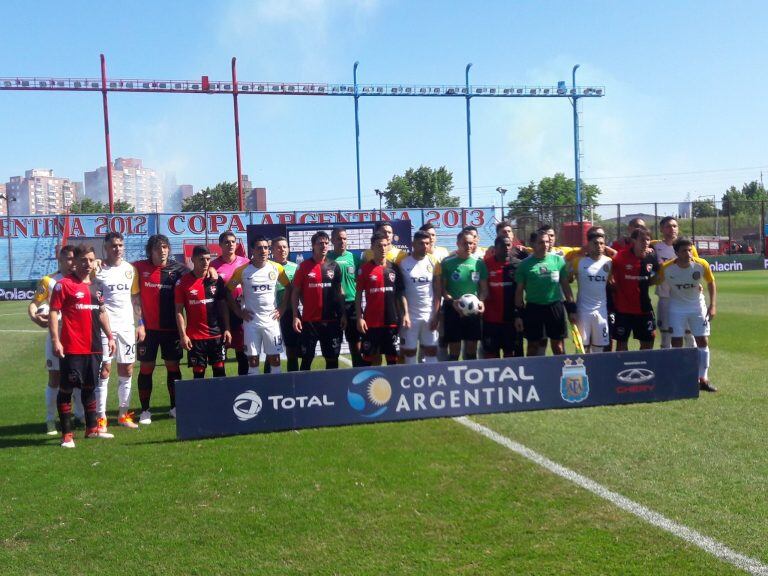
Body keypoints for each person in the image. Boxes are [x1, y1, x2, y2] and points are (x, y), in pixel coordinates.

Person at [49, 244, 116, 448]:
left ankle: (92, 429)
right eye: (83, 260)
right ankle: (67, 435)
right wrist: (55, 340)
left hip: (94, 347)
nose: (87, 264)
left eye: (90, 260)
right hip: (72, 347)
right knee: (67, 389)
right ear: (75, 262)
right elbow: (53, 312)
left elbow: (102, 312)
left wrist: (110, 337)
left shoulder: (96, 286)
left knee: (90, 387)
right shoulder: (64, 285)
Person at [28, 244, 84, 435]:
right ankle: (50, 420)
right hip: (56, 336)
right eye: (67, 258)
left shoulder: (81, 279)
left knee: (77, 378)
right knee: (55, 378)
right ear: (59, 259)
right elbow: (34, 305)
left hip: (78, 337)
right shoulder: (49, 281)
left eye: (73, 258)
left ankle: (79, 416)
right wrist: (36, 318)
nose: (71, 262)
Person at [133, 234, 188, 424]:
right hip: (147, 330)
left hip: (171, 329)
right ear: (150, 251)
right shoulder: (139, 268)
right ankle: (145, 411)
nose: (162, 251)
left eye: (165, 247)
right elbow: (118, 269)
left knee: (173, 367)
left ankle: (175, 407)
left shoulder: (179, 270)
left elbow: (197, 275)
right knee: (146, 368)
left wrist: (211, 272)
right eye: (158, 248)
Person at [657, 237, 718, 392]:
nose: (688, 253)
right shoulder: (667, 267)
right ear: (676, 252)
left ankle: (703, 378)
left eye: (690, 249)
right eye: (684, 250)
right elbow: (654, 280)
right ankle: (680, 378)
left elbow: (711, 282)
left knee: (702, 340)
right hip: (676, 308)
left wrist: (712, 305)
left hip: (697, 307)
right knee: (676, 342)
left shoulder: (701, 264)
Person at [223, 236, 289, 375]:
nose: (263, 251)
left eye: (266, 248)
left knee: (275, 360)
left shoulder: (276, 268)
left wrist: (282, 308)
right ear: (252, 250)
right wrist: (239, 312)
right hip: (251, 322)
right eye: (259, 248)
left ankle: (275, 392)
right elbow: (227, 291)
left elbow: (289, 287)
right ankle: (256, 393)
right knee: (252, 361)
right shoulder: (242, 271)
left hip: (271, 321)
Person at [95, 232, 140, 431]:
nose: (118, 249)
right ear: (105, 247)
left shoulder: (131, 270)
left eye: (120, 245)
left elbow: (135, 299)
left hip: (127, 326)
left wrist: (140, 323)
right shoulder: (98, 270)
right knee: (105, 370)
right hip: (106, 327)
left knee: (127, 369)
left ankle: (123, 414)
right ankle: (101, 417)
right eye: (113, 245)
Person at [514, 230, 577, 356]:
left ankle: (560, 372)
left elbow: (566, 287)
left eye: (547, 242)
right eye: (541, 242)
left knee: (558, 347)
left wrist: (571, 309)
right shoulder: (524, 265)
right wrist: (518, 315)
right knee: (532, 347)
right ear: (532, 244)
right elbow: (519, 293)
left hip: (555, 307)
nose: (545, 245)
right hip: (533, 309)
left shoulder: (558, 261)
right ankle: (533, 374)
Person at [291, 231, 345, 371]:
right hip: (310, 322)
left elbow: (340, 292)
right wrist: (296, 316)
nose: (324, 246)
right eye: (320, 243)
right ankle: (305, 390)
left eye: (326, 243)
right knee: (306, 359)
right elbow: (296, 292)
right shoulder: (303, 267)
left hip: (332, 321)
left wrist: (343, 314)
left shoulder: (334, 266)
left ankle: (332, 389)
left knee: (332, 359)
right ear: (313, 246)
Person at [175, 246, 230, 379]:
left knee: (220, 373)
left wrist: (227, 329)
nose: (205, 262)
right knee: (198, 375)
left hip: (216, 335)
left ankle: (221, 400)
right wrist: (183, 336)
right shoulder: (183, 282)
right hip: (195, 338)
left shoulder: (216, 280)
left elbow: (223, 306)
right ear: (192, 259)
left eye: (207, 259)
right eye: (201, 259)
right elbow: (178, 311)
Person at [356, 232, 409, 365]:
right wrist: (359, 317)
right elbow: (358, 295)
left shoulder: (394, 268)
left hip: (391, 321)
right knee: (370, 359)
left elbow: (400, 293)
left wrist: (406, 314)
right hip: (371, 322)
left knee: (393, 359)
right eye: (379, 246)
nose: (383, 248)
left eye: (385, 245)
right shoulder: (365, 269)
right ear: (372, 247)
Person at [608, 227, 659, 351]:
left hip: (644, 308)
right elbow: (609, 269)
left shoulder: (650, 258)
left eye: (648, 239)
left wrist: (646, 282)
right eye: (642, 239)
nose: (646, 242)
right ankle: (622, 369)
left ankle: (643, 368)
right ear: (634, 240)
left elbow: (656, 274)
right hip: (623, 310)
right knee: (621, 343)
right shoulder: (621, 257)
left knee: (648, 341)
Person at [440, 230, 488, 360]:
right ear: (457, 244)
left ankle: (471, 378)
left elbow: (484, 289)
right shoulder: (447, 263)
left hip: (473, 310)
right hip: (453, 309)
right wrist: (452, 302)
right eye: (465, 243)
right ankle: (453, 377)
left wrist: (481, 301)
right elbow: (442, 289)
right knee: (454, 348)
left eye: (471, 243)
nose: (468, 246)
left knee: (471, 347)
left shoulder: (479, 263)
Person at [651, 216, 698, 349]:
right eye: (668, 226)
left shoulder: (689, 248)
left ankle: (691, 366)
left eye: (674, 226)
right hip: (665, 297)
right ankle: (669, 368)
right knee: (666, 338)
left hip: (684, 298)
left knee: (689, 336)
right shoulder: (654, 246)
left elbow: (696, 268)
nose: (672, 229)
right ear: (661, 229)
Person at [396, 230, 441, 364]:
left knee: (431, 352)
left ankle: (432, 382)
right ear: (413, 244)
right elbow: (400, 291)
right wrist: (405, 314)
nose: (425, 246)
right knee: (408, 353)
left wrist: (436, 315)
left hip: (429, 315)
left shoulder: (434, 262)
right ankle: (409, 383)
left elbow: (437, 291)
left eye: (427, 243)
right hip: (410, 317)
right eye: (421, 243)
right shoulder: (402, 262)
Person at [210, 231, 250, 375]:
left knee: (242, 352)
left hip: (241, 313)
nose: (230, 244)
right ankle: (221, 388)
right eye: (226, 242)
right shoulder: (213, 266)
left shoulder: (246, 263)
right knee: (221, 354)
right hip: (221, 315)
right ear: (220, 245)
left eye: (233, 242)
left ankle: (242, 385)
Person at [568, 229, 612, 353]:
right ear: (588, 244)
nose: (599, 246)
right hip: (583, 311)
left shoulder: (609, 262)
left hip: (601, 312)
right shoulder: (578, 262)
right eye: (595, 243)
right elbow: (567, 280)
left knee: (599, 349)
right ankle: (583, 372)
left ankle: (597, 372)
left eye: (602, 243)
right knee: (582, 349)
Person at [482, 235, 524, 358]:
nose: (506, 248)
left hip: (511, 320)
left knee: (510, 355)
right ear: (495, 248)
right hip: (490, 320)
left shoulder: (518, 265)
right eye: (502, 245)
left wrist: (518, 315)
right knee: (490, 356)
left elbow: (520, 293)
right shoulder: (485, 264)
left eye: (508, 245)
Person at [328, 227, 364, 367]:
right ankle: (334, 381)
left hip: (353, 305)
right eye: (338, 238)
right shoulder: (327, 259)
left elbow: (361, 283)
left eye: (344, 238)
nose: (342, 241)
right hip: (334, 307)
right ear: (332, 240)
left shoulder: (354, 258)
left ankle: (358, 376)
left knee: (356, 346)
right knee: (333, 349)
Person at [265, 236, 299, 372]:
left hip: (289, 313)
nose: (282, 250)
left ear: (288, 249)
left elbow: (299, 292)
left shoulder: (295, 268)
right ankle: (269, 383)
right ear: (272, 250)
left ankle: (293, 382)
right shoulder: (267, 267)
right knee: (271, 352)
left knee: (292, 351)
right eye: (278, 247)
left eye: (284, 247)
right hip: (271, 314)